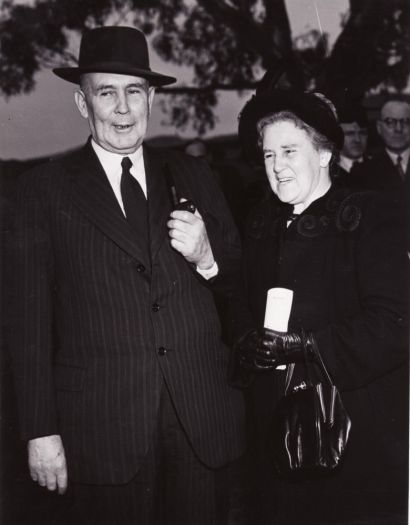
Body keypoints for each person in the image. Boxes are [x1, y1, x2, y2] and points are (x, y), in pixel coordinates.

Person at [10, 26, 245, 525]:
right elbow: (27, 325)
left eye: (134, 92)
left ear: (152, 98)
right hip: (101, 433)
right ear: (82, 103)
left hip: (200, 425)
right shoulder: (42, 191)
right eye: (106, 93)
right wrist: (39, 431)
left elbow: (240, 285)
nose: (122, 108)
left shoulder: (194, 174)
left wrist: (207, 257)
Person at [230, 89, 408, 524]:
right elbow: (238, 307)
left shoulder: (369, 216)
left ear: (325, 153)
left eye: (290, 151)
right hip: (277, 440)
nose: (277, 167)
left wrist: (307, 347)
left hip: (355, 435)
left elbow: (393, 324)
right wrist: (248, 341)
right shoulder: (259, 224)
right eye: (269, 155)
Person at [352, 97, 410, 191]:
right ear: (379, 127)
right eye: (390, 122)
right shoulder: (363, 171)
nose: (398, 129)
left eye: (406, 122)